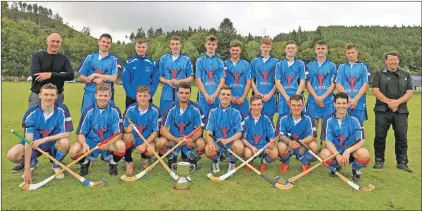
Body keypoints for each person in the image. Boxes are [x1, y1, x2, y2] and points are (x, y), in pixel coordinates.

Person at [7, 83, 73, 183]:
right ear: (40, 95)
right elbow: (28, 140)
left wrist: (45, 139)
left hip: (53, 143)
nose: (48, 98)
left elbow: (67, 133)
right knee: (12, 155)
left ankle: (56, 165)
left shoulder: (62, 109)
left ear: (56, 96)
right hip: (34, 144)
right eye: (46, 94)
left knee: (65, 142)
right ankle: (33, 162)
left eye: (52, 95)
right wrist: (27, 167)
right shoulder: (31, 113)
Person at [68, 84, 125, 176]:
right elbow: (80, 133)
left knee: (121, 145)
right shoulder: (88, 111)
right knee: (73, 151)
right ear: (95, 95)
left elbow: (118, 133)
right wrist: (84, 144)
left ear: (110, 96)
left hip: (107, 141)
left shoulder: (115, 111)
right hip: (91, 142)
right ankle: (84, 163)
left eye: (106, 96)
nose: (103, 98)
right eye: (100, 95)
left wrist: (108, 143)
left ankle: (113, 163)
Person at [371, 51, 413, 173]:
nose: (393, 62)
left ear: (398, 60)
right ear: (386, 61)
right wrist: (389, 102)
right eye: (390, 60)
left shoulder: (406, 74)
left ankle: (402, 162)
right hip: (382, 110)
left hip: (400, 111)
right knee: (380, 136)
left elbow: (409, 92)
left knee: (401, 137)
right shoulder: (379, 74)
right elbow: (375, 90)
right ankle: (379, 160)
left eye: (395, 59)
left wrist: (397, 103)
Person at [320, 92, 370, 182]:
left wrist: (348, 151)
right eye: (338, 103)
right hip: (336, 152)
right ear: (334, 104)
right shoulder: (328, 120)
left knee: (364, 154)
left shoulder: (356, 119)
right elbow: (328, 141)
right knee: (324, 154)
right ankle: (335, 167)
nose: (341, 106)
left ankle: (355, 170)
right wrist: (337, 154)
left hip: (351, 153)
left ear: (348, 104)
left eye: (344, 103)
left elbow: (361, 140)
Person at [156, 82, 205, 170]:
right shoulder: (170, 108)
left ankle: (191, 158)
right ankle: (171, 158)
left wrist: (191, 139)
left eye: (187, 93)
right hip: (174, 140)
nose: (184, 95)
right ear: (177, 93)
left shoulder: (196, 109)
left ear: (190, 93)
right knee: (159, 143)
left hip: (189, 141)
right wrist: (176, 139)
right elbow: (163, 130)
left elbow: (199, 130)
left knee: (201, 144)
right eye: (181, 93)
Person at [204, 86, 244, 173]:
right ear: (219, 96)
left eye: (228, 94)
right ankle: (215, 161)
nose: (225, 96)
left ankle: (232, 163)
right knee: (208, 149)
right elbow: (209, 130)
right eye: (223, 94)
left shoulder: (236, 113)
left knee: (240, 147)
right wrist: (211, 143)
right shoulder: (213, 112)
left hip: (231, 142)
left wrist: (227, 140)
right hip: (217, 142)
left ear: (231, 97)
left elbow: (239, 133)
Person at [28, 33, 74, 108]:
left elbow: (71, 75)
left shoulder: (64, 58)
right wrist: (60, 75)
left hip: (57, 96)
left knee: (56, 119)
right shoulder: (37, 56)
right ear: (47, 41)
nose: (55, 44)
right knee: (34, 118)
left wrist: (50, 75)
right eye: (53, 41)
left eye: (58, 42)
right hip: (38, 95)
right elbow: (36, 75)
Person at [306, 40, 337, 147]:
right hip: (313, 101)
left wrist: (322, 97)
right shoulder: (309, 65)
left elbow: (333, 84)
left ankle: (326, 149)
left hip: (328, 101)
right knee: (314, 127)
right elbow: (308, 83)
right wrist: (316, 97)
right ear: (315, 50)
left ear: (327, 50)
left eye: (323, 48)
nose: (321, 51)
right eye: (318, 48)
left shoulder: (332, 66)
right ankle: (314, 149)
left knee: (327, 126)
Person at [123, 86, 160, 174]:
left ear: (149, 97)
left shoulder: (155, 111)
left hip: (146, 139)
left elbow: (156, 131)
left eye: (145, 96)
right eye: (140, 96)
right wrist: (127, 130)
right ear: (136, 97)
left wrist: (144, 145)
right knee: (127, 137)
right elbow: (124, 127)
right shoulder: (130, 109)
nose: (142, 98)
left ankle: (145, 158)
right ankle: (129, 161)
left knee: (151, 151)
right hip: (134, 138)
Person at [276, 94, 317, 173]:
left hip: (302, 145)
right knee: (280, 146)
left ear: (302, 106)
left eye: (299, 105)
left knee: (314, 146)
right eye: (294, 105)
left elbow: (312, 136)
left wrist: (302, 142)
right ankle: (285, 162)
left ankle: (304, 162)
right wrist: (290, 142)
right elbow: (280, 135)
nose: (296, 108)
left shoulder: (309, 117)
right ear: (289, 105)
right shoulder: (282, 117)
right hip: (289, 146)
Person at [79, 33, 119, 114]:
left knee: (105, 122)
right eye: (103, 41)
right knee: (87, 118)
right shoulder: (90, 58)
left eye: (108, 43)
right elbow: (81, 77)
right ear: (99, 42)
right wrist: (94, 80)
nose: (105, 44)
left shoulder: (113, 60)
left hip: (105, 95)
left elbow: (114, 78)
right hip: (90, 94)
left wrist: (95, 75)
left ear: (111, 45)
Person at [335, 43, 371, 124]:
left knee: (358, 130)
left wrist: (355, 99)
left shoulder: (364, 66)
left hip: (359, 103)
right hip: (344, 104)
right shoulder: (341, 67)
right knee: (343, 130)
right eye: (348, 53)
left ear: (357, 52)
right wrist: (348, 99)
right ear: (345, 54)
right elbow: (338, 84)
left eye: (352, 52)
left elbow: (366, 84)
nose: (351, 55)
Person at [242, 95, 278, 173]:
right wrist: (252, 148)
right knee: (247, 153)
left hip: (263, 147)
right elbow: (243, 138)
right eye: (254, 105)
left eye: (259, 104)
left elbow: (271, 136)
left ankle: (263, 162)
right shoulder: (245, 118)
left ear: (262, 105)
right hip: (250, 147)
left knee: (274, 153)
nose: (257, 107)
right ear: (250, 106)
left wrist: (271, 142)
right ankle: (249, 162)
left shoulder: (267, 118)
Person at [158, 36, 194, 114]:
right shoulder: (163, 59)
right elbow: (160, 77)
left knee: (181, 120)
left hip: (181, 96)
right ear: (170, 45)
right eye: (173, 44)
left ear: (180, 45)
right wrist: (168, 81)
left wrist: (179, 81)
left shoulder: (186, 59)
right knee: (164, 120)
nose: (175, 46)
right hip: (166, 95)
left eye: (177, 44)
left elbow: (191, 77)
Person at [195, 35, 226, 120]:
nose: (211, 46)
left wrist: (214, 95)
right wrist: (206, 95)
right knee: (201, 124)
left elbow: (222, 80)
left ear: (216, 46)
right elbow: (198, 79)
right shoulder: (200, 60)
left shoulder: (220, 62)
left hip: (216, 98)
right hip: (203, 98)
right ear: (205, 45)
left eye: (213, 44)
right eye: (209, 44)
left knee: (216, 125)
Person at [122, 39, 159, 108]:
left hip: (146, 97)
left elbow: (155, 81)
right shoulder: (129, 63)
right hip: (131, 98)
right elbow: (126, 81)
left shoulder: (152, 63)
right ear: (135, 47)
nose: (140, 49)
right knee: (130, 118)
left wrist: (149, 94)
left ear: (146, 48)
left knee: (147, 118)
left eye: (143, 47)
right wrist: (134, 95)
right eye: (139, 47)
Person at [274, 40, 306, 115]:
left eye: (293, 48)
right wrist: (286, 97)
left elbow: (302, 82)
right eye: (288, 48)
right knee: (283, 120)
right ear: (285, 50)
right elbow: (277, 83)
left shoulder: (300, 64)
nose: (290, 50)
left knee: (299, 121)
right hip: (284, 97)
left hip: (297, 97)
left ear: (296, 50)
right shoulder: (279, 64)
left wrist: (296, 96)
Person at [250, 38, 278, 121]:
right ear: (260, 47)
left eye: (267, 47)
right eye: (263, 46)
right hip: (257, 97)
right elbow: (251, 79)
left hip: (270, 97)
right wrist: (257, 93)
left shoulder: (276, 62)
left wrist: (270, 94)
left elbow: (278, 81)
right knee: (255, 121)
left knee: (269, 121)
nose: (265, 49)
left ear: (270, 48)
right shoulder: (254, 61)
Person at [224, 40, 251, 118]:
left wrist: (243, 97)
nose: (235, 52)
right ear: (230, 50)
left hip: (243, 101)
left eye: (237, 50)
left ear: (240, 51)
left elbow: (248, 82)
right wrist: (230, 97)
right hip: (228, 100)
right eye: (233, 50)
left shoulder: (246, 64)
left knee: (243, 126)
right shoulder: (224, 64)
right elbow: (222, 82)